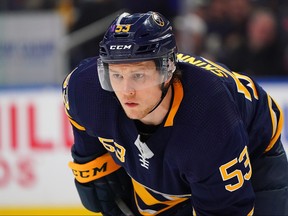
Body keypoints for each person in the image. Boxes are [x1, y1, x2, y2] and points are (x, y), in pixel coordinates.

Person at [62, 11, 288, 215]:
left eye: (139, 75)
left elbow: (226, 210)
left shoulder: (210, 119)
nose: (126, 91)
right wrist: (92, 163)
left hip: (253, 150)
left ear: (167, 71)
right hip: (178, 160)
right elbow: (79, 118)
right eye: (117, 76)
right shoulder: (86, 88)